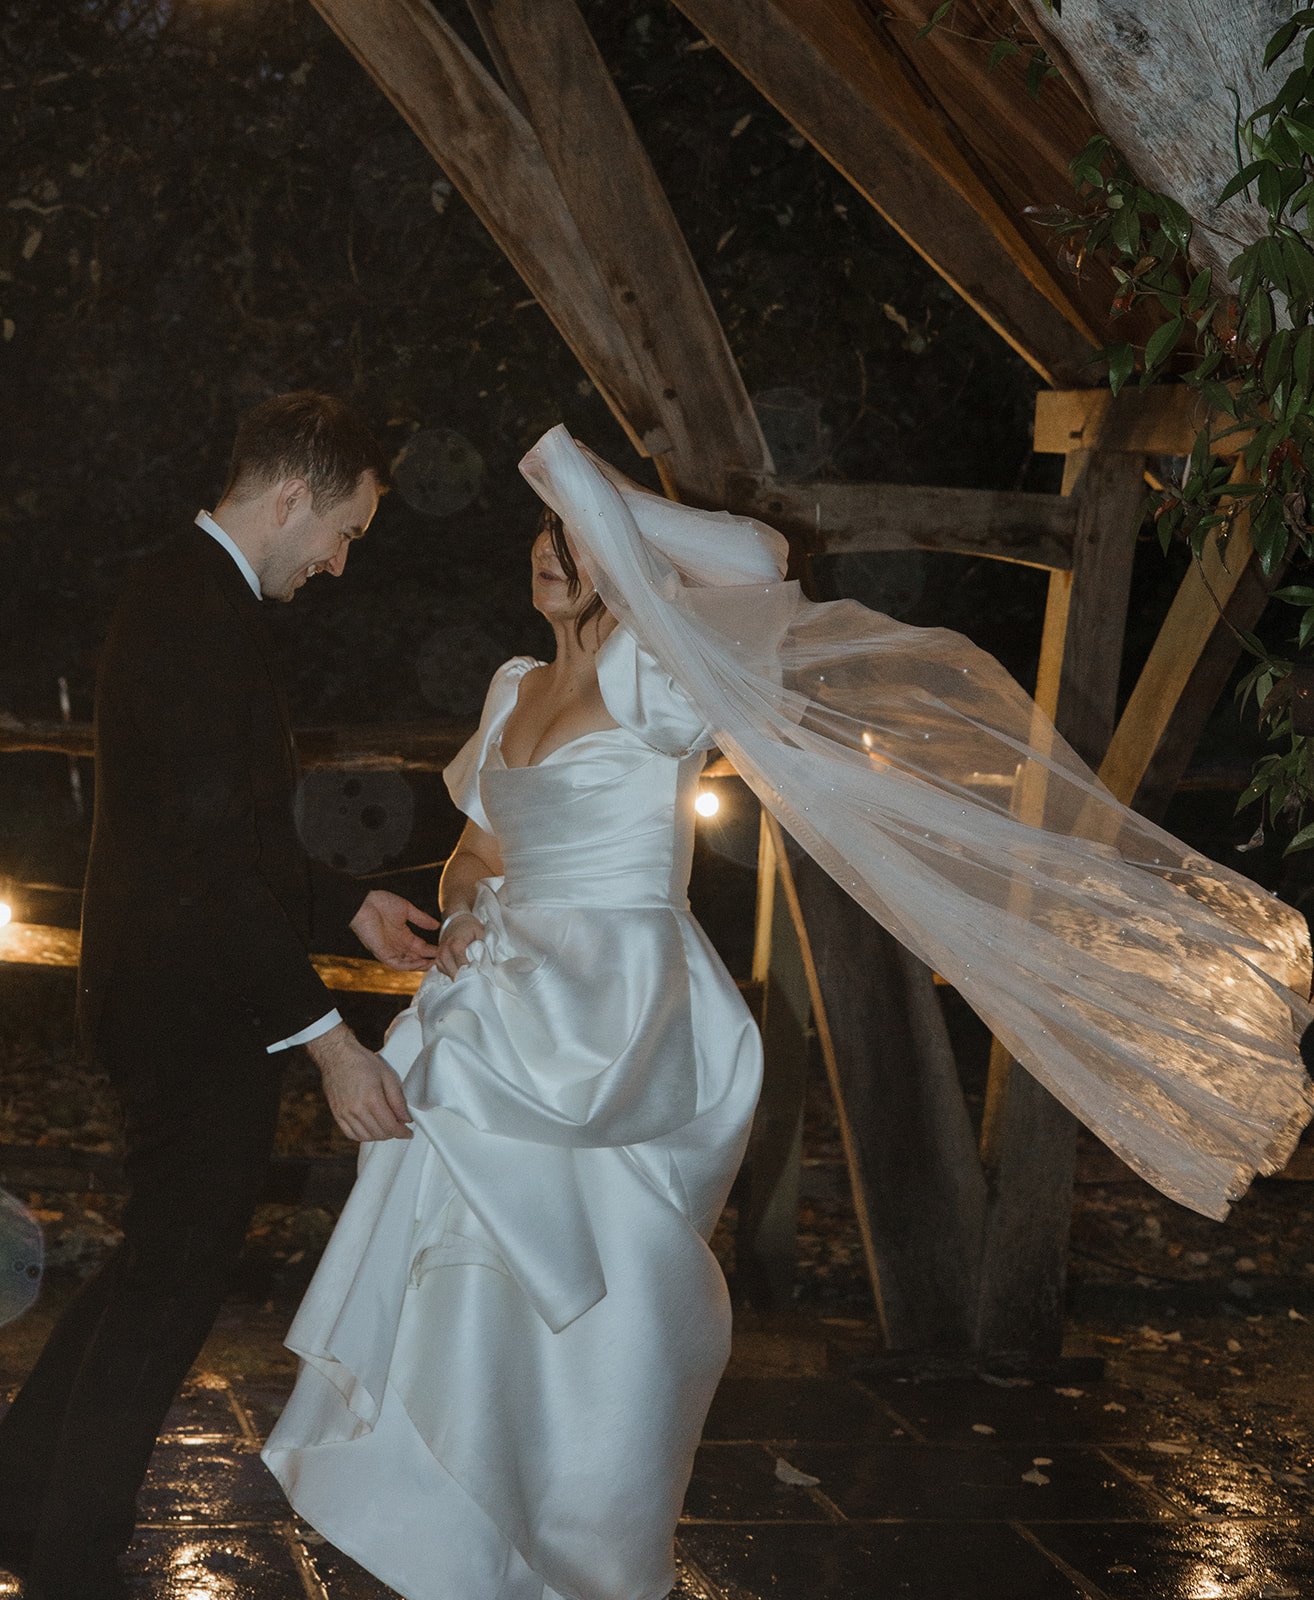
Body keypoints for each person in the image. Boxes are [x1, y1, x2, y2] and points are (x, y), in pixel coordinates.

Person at [266, 425, 1314, 1600]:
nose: (546, 555)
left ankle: (584, 1542)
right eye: (543, 538)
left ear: (622, 553)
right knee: (471, 1278)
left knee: (610, 1293)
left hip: (619, 1013)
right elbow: (475, 846)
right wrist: (461, 908)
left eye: (571, 540)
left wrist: (604, 493)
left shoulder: (665, 672)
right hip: (502, 993)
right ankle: (466, 1524)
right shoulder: (512, 686)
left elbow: (758, 562)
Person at [0, 391, 440, 1599]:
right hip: (187, 1005)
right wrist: (332, 1046)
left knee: (156, 1262)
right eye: (342, 531)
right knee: (174, 1284)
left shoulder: (187, 596)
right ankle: (72, 1562)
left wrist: (348, 904)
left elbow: (231, 835)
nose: (338, 563)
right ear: (292, 496)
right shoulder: (196, 613)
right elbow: (204, 862)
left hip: (170, 989)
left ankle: (21, 1492)